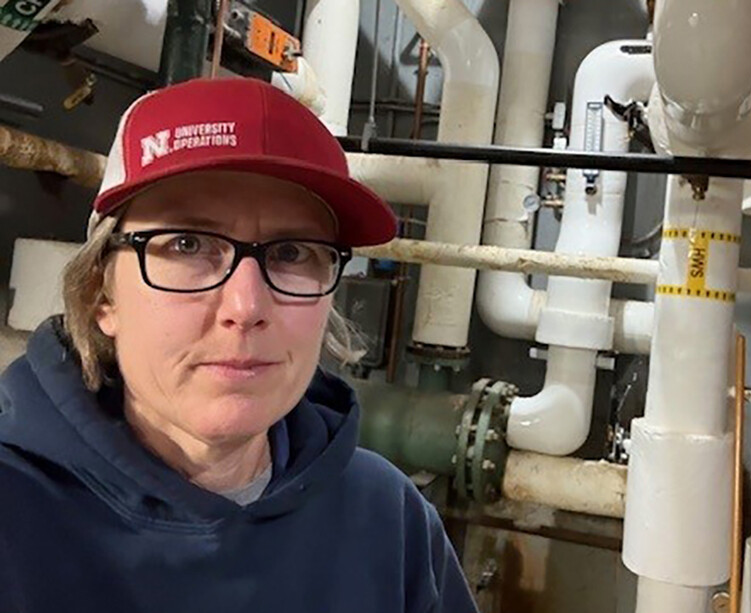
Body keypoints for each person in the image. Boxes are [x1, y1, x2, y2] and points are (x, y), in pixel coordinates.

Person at [0, 77, 479, 613]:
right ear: (99, 296)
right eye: (188, 244)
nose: (246, 307)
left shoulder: (386, 520)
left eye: (292, 253)